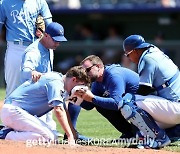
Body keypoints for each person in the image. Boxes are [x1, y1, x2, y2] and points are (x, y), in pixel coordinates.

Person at [0, 66, 90, 144]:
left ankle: (9, 131)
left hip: (19, 113)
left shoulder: (61, 84)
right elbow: (58, 110)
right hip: (13, 111)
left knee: (52, 137)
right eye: (80, 85)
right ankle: (4, 134)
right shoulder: (56, 82)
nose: (80, 89)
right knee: (49, 138)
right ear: (74, 79)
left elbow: (64, 110)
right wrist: (70, 137)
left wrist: (72, 134)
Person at [118, 34, 180, 148]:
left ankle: (160, 139)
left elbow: (144, 90)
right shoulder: (154, 51)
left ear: (135, 51)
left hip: (175, 108)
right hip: (174, 106)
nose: (128, 58)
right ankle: (172, 134)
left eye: (128, 54)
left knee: (127, 102)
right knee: (142, 130)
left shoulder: (147, 59)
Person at [74, 55, 140, 139]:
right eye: (83, 72)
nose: (85, 74)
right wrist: (74, 95)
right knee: (101, 105)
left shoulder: (113, 75)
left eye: (87, 70)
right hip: (134, 106)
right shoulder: (97, 82)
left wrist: (92, 98)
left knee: (124, 105)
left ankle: (139, 133)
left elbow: (117, 103)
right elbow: (89, 106)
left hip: (146, 106)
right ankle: (129, 133)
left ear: (98, 66)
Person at [20, 22, 67, 136]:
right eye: (55, 40)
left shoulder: (49, 48)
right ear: (46, 35)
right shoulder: (34, 51)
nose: (58, 43)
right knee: (40, 136)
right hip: (32, 99)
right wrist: (32, 72)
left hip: (44, 94)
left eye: (59, 40)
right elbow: (25, 71)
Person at [0, 0, 52, 97]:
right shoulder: (4, 3)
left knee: (45, 88)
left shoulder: (40, 2)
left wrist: (45, 32)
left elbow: (50, 26)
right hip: (16, 48)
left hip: (39, 47)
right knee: (13, 90)